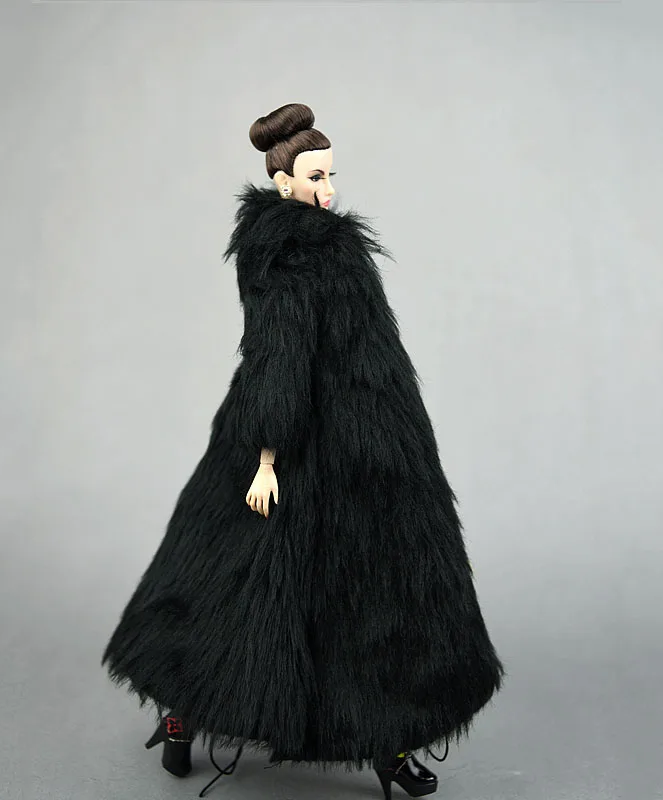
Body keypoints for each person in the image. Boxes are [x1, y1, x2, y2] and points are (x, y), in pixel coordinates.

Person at [101, 102, 506, 799]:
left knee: (376, 592)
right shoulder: (290, 255)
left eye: (331, 175)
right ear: (283, 181)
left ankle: (387, 741)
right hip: (305, 443)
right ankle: (184, 715)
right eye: (315, 177)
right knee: (246, 587)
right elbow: (276, 358)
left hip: (370, 441)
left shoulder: (329, 246)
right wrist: (267, 457)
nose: (328, 189)